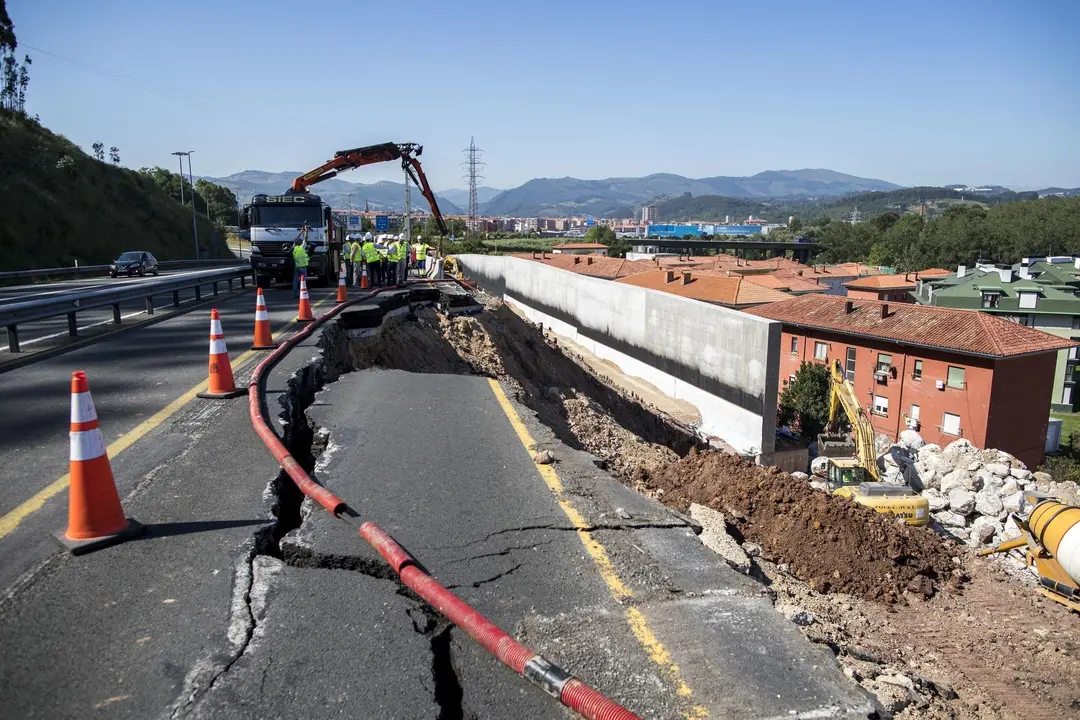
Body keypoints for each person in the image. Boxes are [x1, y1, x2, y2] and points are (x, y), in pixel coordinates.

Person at [291, 230, 309, 298]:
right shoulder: (302, 247)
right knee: (303, 281)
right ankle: (304, 293)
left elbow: (295, 240)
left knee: (295, 281)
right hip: (303, 267)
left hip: (297, 267)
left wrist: (301, 232)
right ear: (300, 243)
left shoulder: (294, 248)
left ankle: (295, 294)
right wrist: (306, 231)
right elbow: (305, 238)